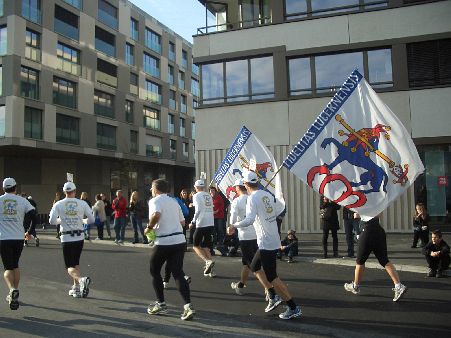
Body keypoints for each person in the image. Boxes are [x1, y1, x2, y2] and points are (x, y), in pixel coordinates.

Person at [229, 171, 302, 320]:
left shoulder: (252, 198)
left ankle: (292, 306)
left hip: (266, 241)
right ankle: (272, 294)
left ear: (245, 184)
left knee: (272, 276)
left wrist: (234, 225)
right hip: (271, 238)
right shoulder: (266, 194)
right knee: (254, 265)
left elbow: (249, 219)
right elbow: (276, 212)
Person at [144, 179, 195, 320]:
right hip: (179, 240)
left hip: (164, 241)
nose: (151, 191)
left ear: (156, 189)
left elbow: (156, 215)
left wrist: (148, 227)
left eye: (152, 189)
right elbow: (183, 222)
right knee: (177, 273)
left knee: (154, 271)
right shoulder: (174, 201)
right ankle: (188, 307)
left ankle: (161, 303)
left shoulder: (154, 201)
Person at [228, 178, 275, 298]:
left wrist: (231, 227)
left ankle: (269, 289)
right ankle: (241, 284)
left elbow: (233, 219)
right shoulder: (253, 197)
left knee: (254, 266)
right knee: (247, 263)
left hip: (245, 237)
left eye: (236, 187)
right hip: (257, 235)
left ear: (238, 187)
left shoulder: (237, 201)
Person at [344, 216, 407, 302]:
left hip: (367, 232)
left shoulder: (364, 204)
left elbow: (356, 215)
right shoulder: (376, 204)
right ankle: (398, 285)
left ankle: (355, 286)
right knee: (384, 260)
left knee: (360, 261)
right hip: (379, 231)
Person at [49, 182, 94, 298]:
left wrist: (61, 220)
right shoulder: (82, 203)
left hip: (67, 237)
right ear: (75, 191)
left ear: (64, 192)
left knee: (69, 266)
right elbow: (91, 219)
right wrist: (83, 221)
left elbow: (52, 221)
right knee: (76, 262)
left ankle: (80, 280)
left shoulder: (58, 204)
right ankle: (76, 288)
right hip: (79, 237)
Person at [0, 178, 37, 310]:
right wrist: (30, 231)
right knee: (15, 265)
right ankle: (15, 291)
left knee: (7, 269)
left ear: (3, 188)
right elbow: (34, 215)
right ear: (15, 188)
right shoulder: (23, 201)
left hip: (3, 238)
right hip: (18, 238)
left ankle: (12, 290)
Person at [189, 180, 216, 277]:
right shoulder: (208, 195)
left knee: (195, 245)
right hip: (210, 222)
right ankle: (211, 271)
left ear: (195, 187)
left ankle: (207, 261)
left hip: (202, 222)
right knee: (205, 246)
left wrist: (193, 221)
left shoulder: (196, 196)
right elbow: (211, 207)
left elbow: (198, 210)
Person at [210, 186, 226, 255]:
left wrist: (217, 211)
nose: (212, 192)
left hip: (219, 216)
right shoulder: (209, 198)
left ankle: (220, 242)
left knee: (220, 229)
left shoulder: (219, 197)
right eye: (211, 191)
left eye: (213, 190)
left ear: (215, 191)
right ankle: (214, 242)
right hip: (212, 216)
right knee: (214, 230)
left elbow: (222, 206)